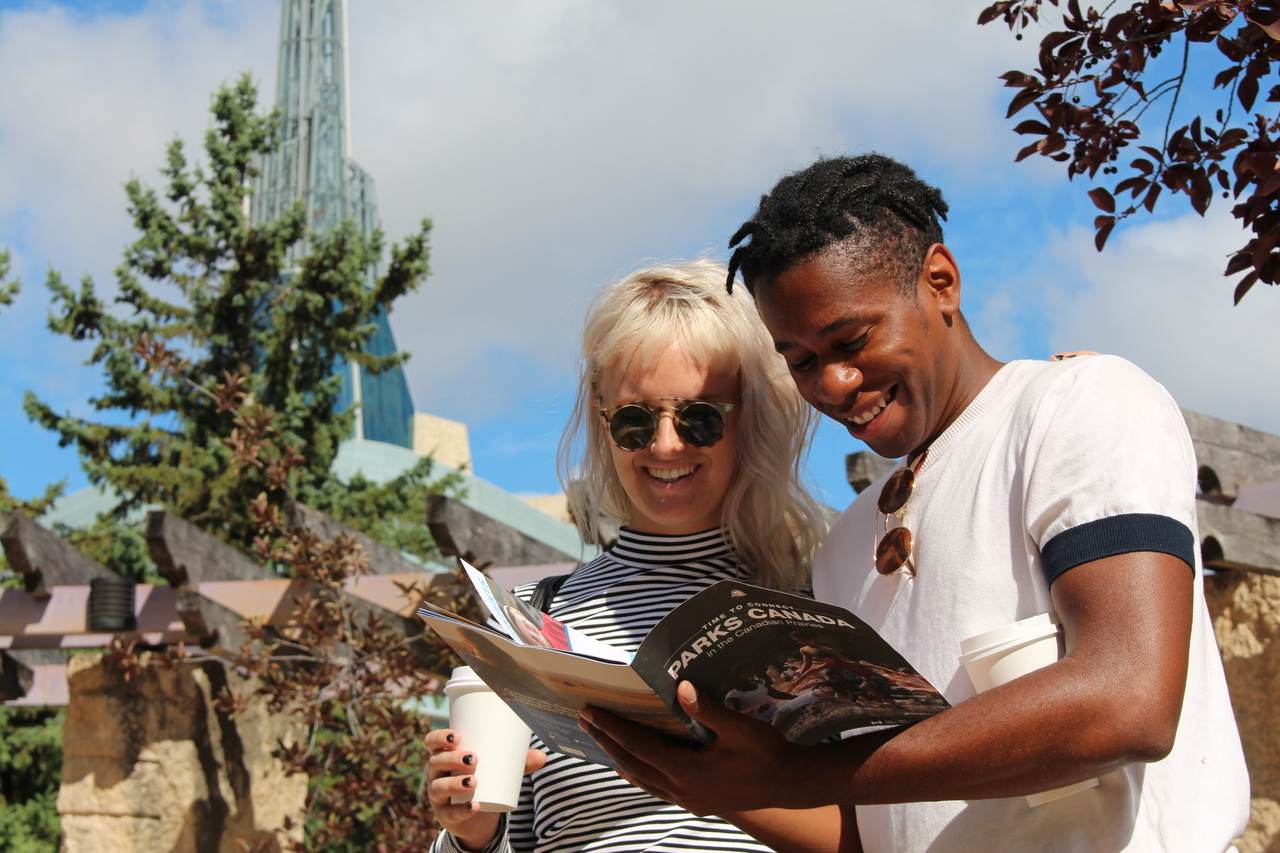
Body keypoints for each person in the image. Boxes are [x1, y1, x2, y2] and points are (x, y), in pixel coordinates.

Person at [580, 154, 1250, 852]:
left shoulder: (1074, 408)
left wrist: (800, 774)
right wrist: (711, 778)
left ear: (941, 282)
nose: (833, 383)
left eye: (852, 340)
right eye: (800, 361)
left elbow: (1128, 701)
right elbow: (874, 827)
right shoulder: (846, 545)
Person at [424, 260, 830, 852]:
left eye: (699, 418)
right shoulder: (535, 620)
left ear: (748, 416)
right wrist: (470, 832)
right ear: (602, 417)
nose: (665, 445)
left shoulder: (820, 600)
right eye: (635, 421)